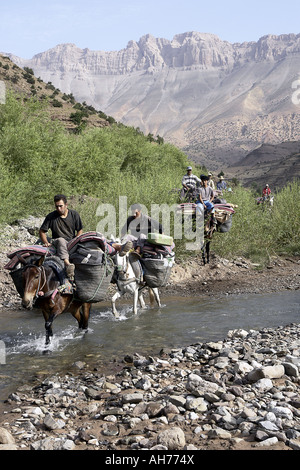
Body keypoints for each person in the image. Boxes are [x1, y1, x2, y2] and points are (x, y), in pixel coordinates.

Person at [40, 195, 132, 279]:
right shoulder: (51, 217)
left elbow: (79, 229)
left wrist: (78, 238)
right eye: (57, 206)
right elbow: (42, 231)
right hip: (58, 241)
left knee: (93, 235)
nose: (59, 208)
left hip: (72, 241)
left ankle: (118, 246)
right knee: (61, 240)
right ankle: (67, 264)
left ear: (66, 205)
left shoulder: (74, 214)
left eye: (61, 206)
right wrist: (46, 242)